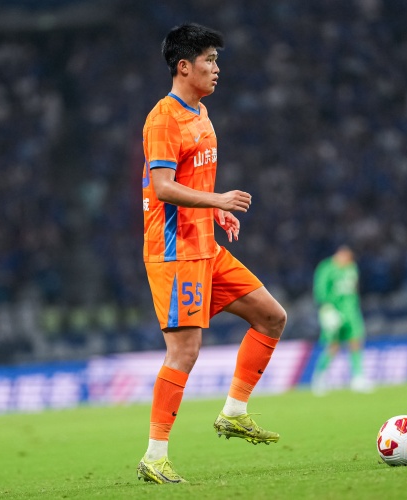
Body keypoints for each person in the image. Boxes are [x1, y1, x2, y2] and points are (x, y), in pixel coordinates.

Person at [136, 23, 287, 484]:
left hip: (206, 246)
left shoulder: (201, 113)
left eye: (217, 60)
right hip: (175, 252)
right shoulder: (164, 119)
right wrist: (218, 199)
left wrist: (214, 211)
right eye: (210, 60)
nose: (217, 68)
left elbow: (190, 183)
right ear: (184, 66)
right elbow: (163, 187)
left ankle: (234, 412)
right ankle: (155, 456)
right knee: (184, 351)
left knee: (271, 317)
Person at [310, 245, 371, 395]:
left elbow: (354, 289)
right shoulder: (326, 268)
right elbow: (320, 290)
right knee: (333, 346)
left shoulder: (352, 267)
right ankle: (319, 377)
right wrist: (326, 309)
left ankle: (358, 377)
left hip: (351, 311)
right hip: (334, 311)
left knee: (355, 342)